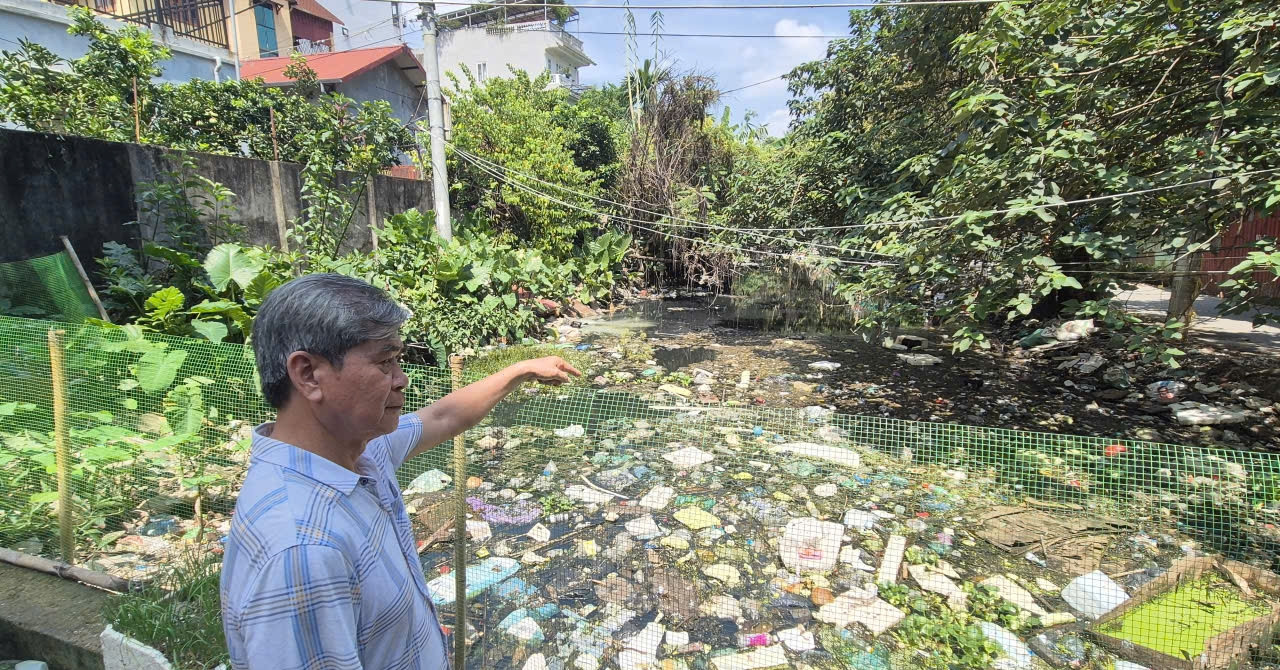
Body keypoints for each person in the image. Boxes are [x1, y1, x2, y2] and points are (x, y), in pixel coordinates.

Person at [220, 273, 581, 669]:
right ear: (308, 374)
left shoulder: (359, 453)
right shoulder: (303, 551)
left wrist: (521, 370)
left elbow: (443, 417)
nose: (402, 379)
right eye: (385, 362)